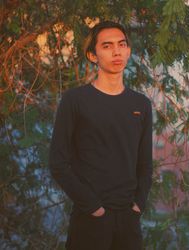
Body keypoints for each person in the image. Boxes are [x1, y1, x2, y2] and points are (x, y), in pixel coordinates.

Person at [49, 21, 152, 250]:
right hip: (90, 218)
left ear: (128, 50)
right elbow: (58, 163)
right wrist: (94, 207)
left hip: (128, 220)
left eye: (121, 44)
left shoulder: (141, 104)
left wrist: (137, 205)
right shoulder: (75, 101)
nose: (116, 51)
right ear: (92, 55)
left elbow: (145, 164)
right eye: (107, 46)